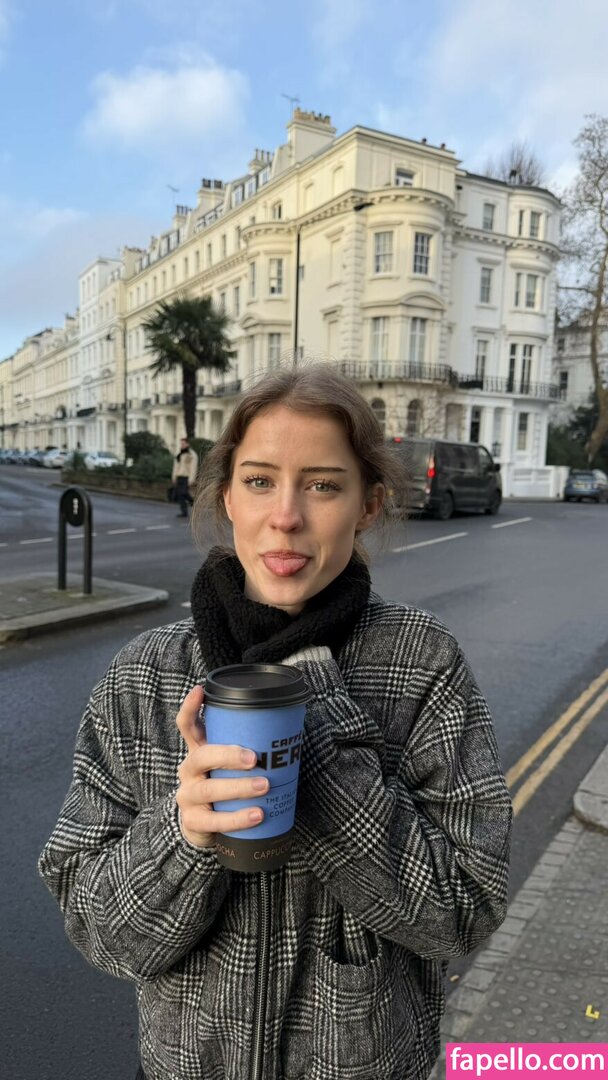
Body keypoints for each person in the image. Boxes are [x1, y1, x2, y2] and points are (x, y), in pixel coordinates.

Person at [39, 363, 512, 1080]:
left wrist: (311, 733)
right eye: (260, 480)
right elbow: (98, 932)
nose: (286, 516)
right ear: (227, 496)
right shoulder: (146, 672)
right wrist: (182, 836)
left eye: (323, 485)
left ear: (368, 505)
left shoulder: (423, 662)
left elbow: (467, 909)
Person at [172, 435, 199, 518]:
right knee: (181, 494)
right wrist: (174, 477)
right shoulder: (179, 454)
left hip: (186, 477)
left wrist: (191, 479)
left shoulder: (192, 455)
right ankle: (185, 511)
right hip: (179, 477)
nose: (182, 445)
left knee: (183, 493)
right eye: (181, 444)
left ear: (187, 444)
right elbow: (176, 467)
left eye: (183, 443)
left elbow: (193, 467)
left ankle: (193, 504)